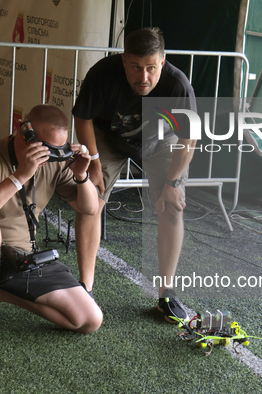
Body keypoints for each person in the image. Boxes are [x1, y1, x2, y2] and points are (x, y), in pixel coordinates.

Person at [0, 104, 103, 364]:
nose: (50, 157)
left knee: (89, 320)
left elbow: (90, 207)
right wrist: (19, 176)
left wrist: (82, 175)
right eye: (45, 149)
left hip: (22, 259)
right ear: (24, 132)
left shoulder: (54, 164)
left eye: (56, 151)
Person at [72, 27, 196, 323]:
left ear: (162, 63)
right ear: (124, 60)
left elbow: (188, 139)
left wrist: (172, 183)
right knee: (92, 202)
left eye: (151, 68)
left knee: (172, 208)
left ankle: (166, 294)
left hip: (161, 141)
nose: (143, 77)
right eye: (136, 68)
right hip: (108, 139)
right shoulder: (103, 73)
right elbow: (83, 117)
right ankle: (85, 288)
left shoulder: (177, 84)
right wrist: (95, 162)